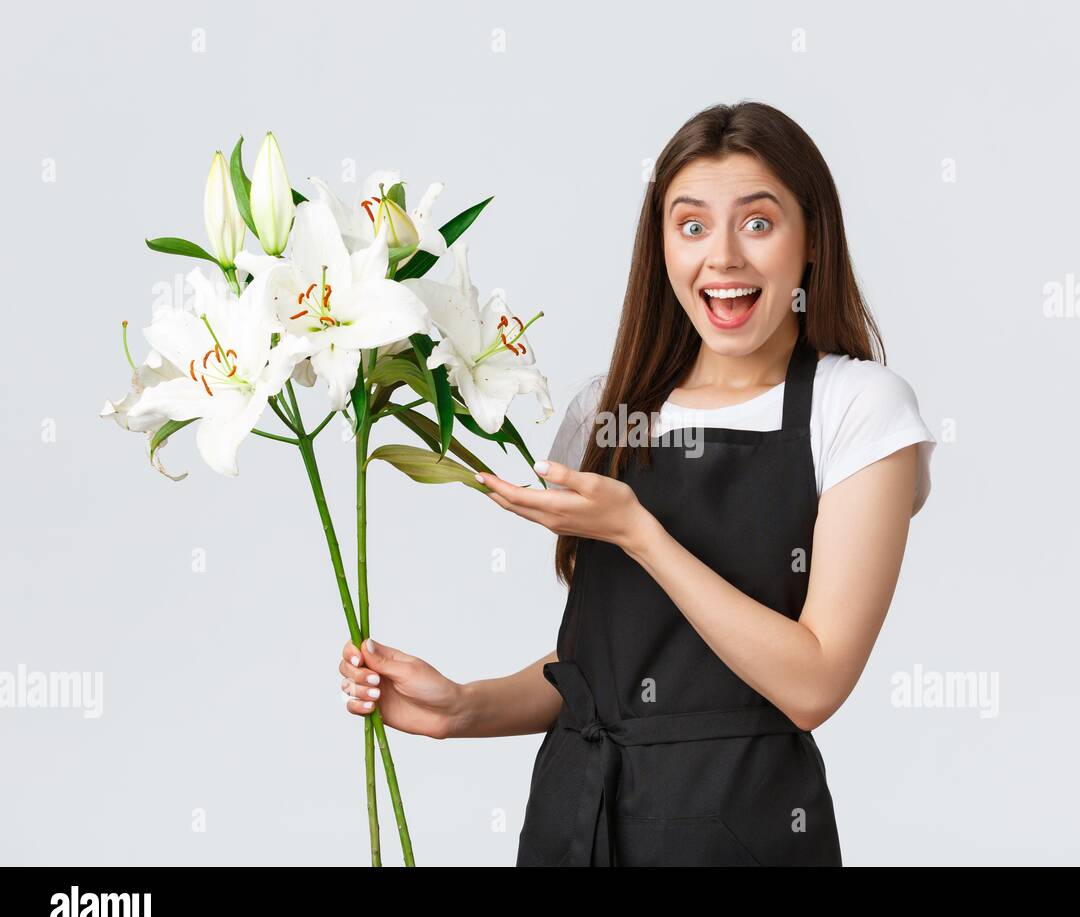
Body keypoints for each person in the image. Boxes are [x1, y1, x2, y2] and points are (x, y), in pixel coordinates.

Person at [338, 100, 937, 866]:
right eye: (691, 226)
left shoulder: (857, 407)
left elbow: (814, 683)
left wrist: (640, 533)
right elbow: (598, 677)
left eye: (758, 223)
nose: (722, 257)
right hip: (574, 823)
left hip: (742, 832)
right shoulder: (604, 411)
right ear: (661, 247)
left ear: (812, 238)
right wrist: (463, 706)